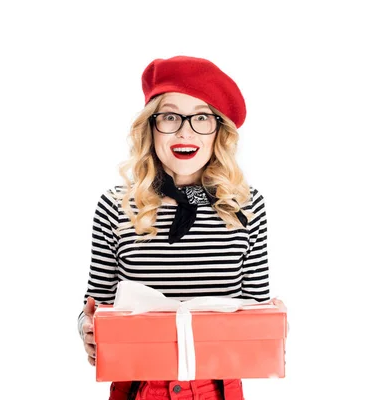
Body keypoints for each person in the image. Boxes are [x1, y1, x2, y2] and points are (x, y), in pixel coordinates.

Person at [78, 55, 271, 400]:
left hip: (219, 388)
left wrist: (273, 326)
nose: (185, 131)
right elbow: (98, 304)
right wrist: (85, 327)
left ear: (219, 131)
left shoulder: (245, 205)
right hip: (138, 386)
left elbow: (255, 309)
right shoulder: (116, 205)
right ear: (150, 126)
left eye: (201, 117)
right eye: (170, 117)